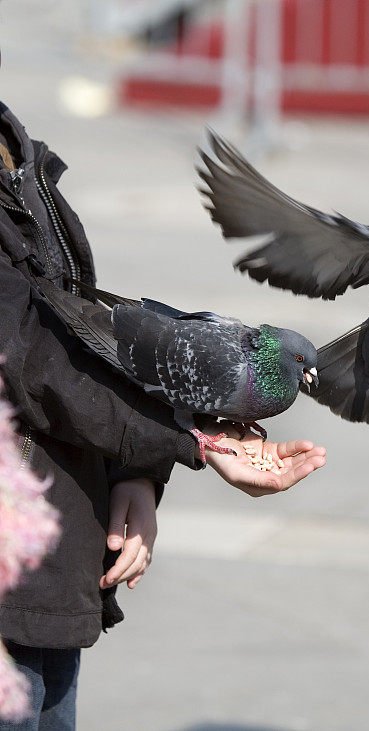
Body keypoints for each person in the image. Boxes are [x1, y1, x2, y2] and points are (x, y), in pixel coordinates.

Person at [0, 96, 326, 731]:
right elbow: (37, 361)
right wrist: (190, 441)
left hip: (54, 579)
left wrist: (138, 469)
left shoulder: (16, 152)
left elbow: (75, 325)